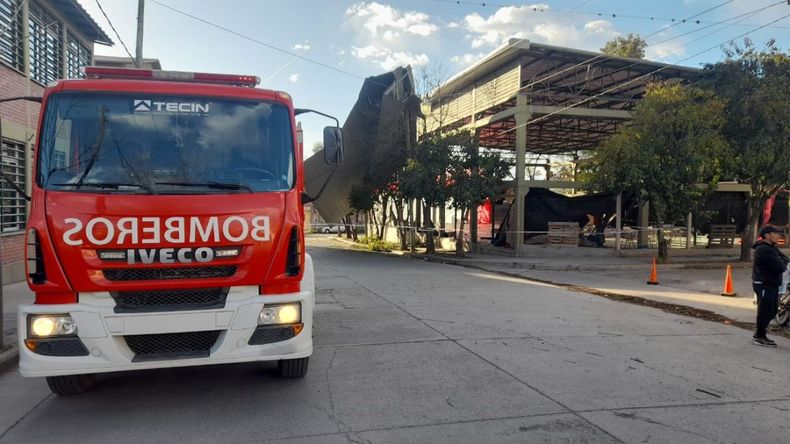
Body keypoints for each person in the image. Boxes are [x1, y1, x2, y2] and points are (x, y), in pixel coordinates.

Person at [752, 225, 789, 347]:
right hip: (764, 283)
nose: (778, 236)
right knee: (764, 310)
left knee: (772, 310)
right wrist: (782, 262)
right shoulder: (763, 249)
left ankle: (762, 334)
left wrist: (781, 261)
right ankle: (759, 336)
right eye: (776, 233)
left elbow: (785, 259)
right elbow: (780, 266)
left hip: (772, 283)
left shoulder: (772, 248)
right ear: (767, 235)